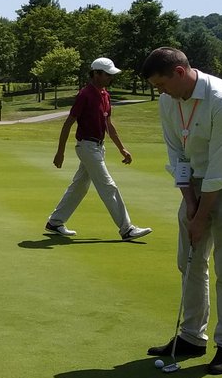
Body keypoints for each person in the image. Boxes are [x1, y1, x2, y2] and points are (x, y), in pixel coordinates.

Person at [141, 47, 222, 375]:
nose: (159, 92)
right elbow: (177, 156)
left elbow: (221, 172)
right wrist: (191, 206)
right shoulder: (169, 102)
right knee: (190, 259)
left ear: (179, 73)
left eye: (161, 84)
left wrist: (200, 216)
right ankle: (192, 337)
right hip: (197, 175)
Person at [44, 58, 153, 241]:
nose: (110, 77)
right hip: (87, 147)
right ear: (96, 74)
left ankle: (55, 221)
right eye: (107, 74)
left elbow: (108, 125)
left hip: (98, 147)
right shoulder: (85, 95)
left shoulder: (105, 95)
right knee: (108, 186)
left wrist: (122, 149)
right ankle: (126, 229)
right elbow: (68, 124)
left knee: (79, 186)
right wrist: (60, 152)